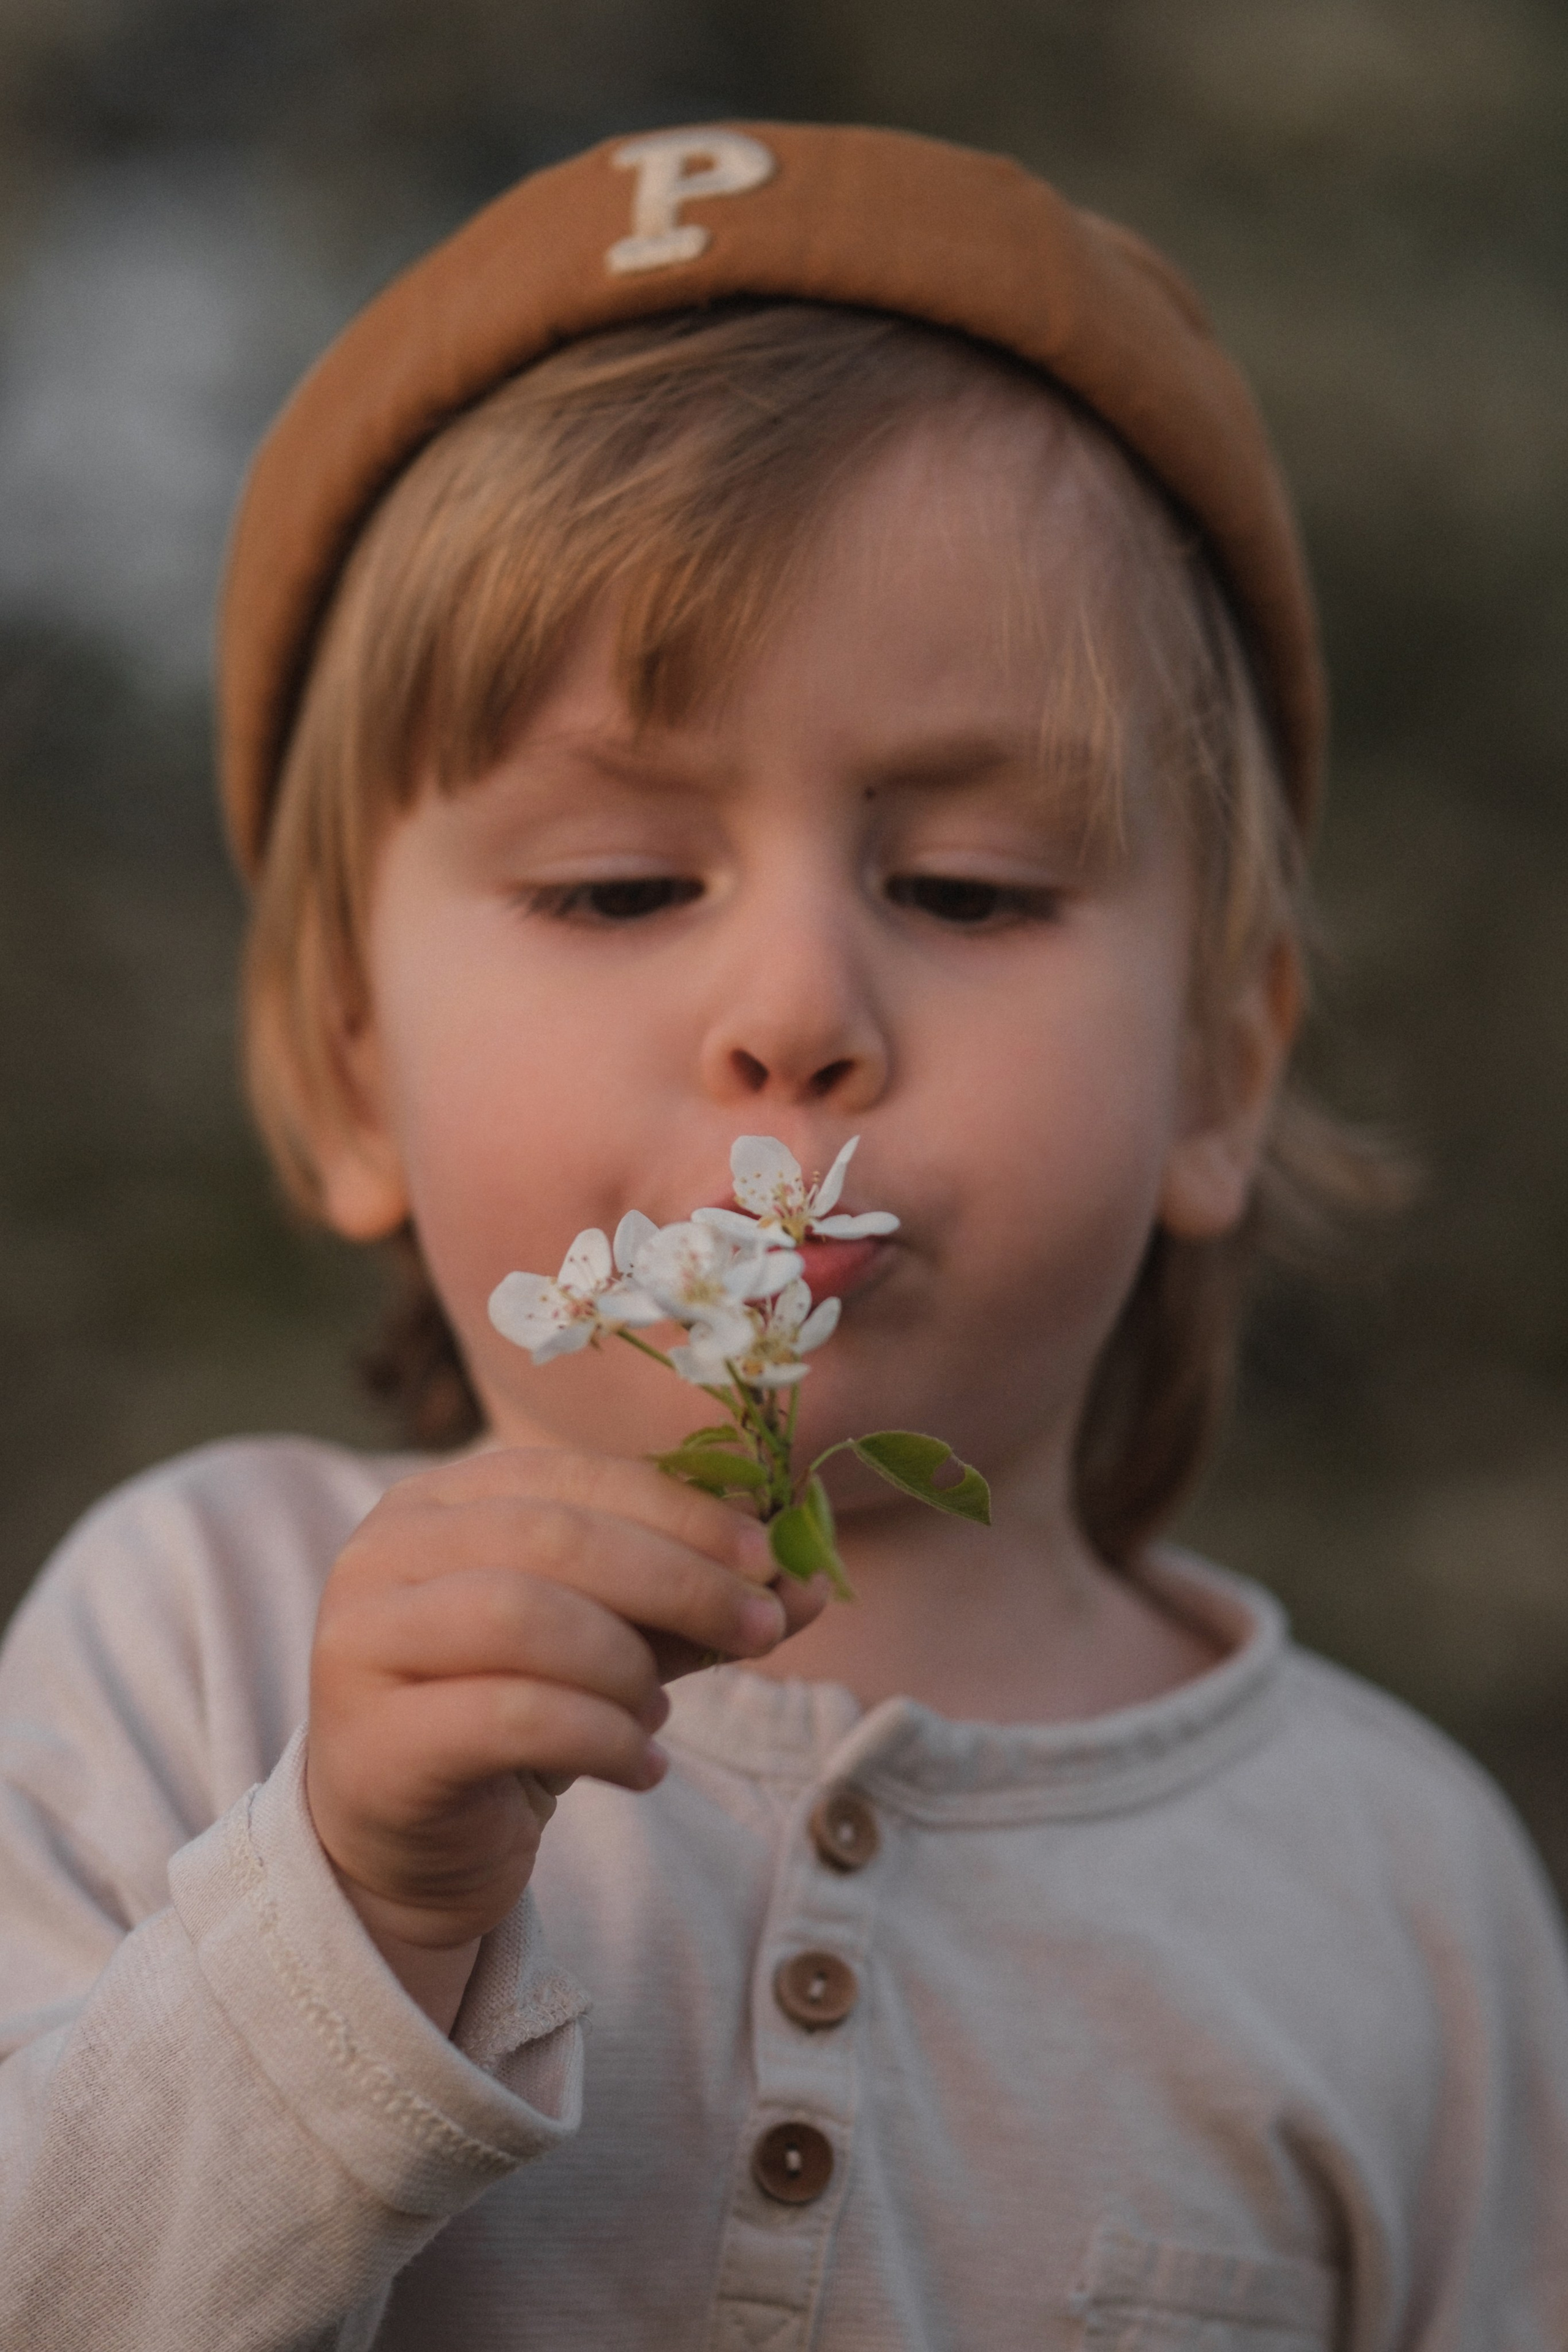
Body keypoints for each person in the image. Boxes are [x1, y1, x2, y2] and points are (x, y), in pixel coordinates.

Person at [1, 121, 1564, 2350]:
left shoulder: (1406, 1900)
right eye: (620, 888)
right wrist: (350, 1917)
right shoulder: (203, 1644)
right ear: (353, 1068)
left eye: (970, 893)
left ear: (1221, 1068)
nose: (799, 1011)